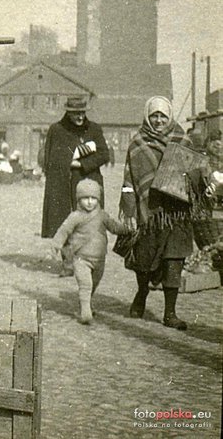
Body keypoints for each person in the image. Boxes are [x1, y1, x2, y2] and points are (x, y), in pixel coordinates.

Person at [121, 96, 193, 330]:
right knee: (145, 259)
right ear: (147, 117)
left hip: (177, 211)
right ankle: (142, 293)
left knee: (174, 258)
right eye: (154, 116)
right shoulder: (138, 143)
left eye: (163, 116)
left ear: (170, 116)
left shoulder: (183, 140)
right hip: (150, 211)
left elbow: (195, 171)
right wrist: (129, 208)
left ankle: (170, 313)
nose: (159, 120)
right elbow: (129, 179)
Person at [40, 96, 109, 276]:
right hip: (62, 182)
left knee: (89, 221)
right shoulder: (57, 130)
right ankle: (68, 263)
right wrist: (62, 165)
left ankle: (89, 262)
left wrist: (81, 164)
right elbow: (49, 157)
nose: (80, 117)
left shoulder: (94, 129)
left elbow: (104, 154)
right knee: (64, 220)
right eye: (75, 113)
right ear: (68, 112)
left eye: (82, 113)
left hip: (87, 181)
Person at [50, 179, 131, 325]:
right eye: (85, 198)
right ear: (78, 199)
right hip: (81, 259)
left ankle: (86, 303)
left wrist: (126, 229)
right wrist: (56, 245)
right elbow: (64, 230)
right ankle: (85, 313)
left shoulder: (102, 215)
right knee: (85, 285)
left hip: (99, 259)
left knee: (93, 284)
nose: (89, 202)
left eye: (93, 198)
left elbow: (114, 227)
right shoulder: (75, 216)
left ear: (98, 199)